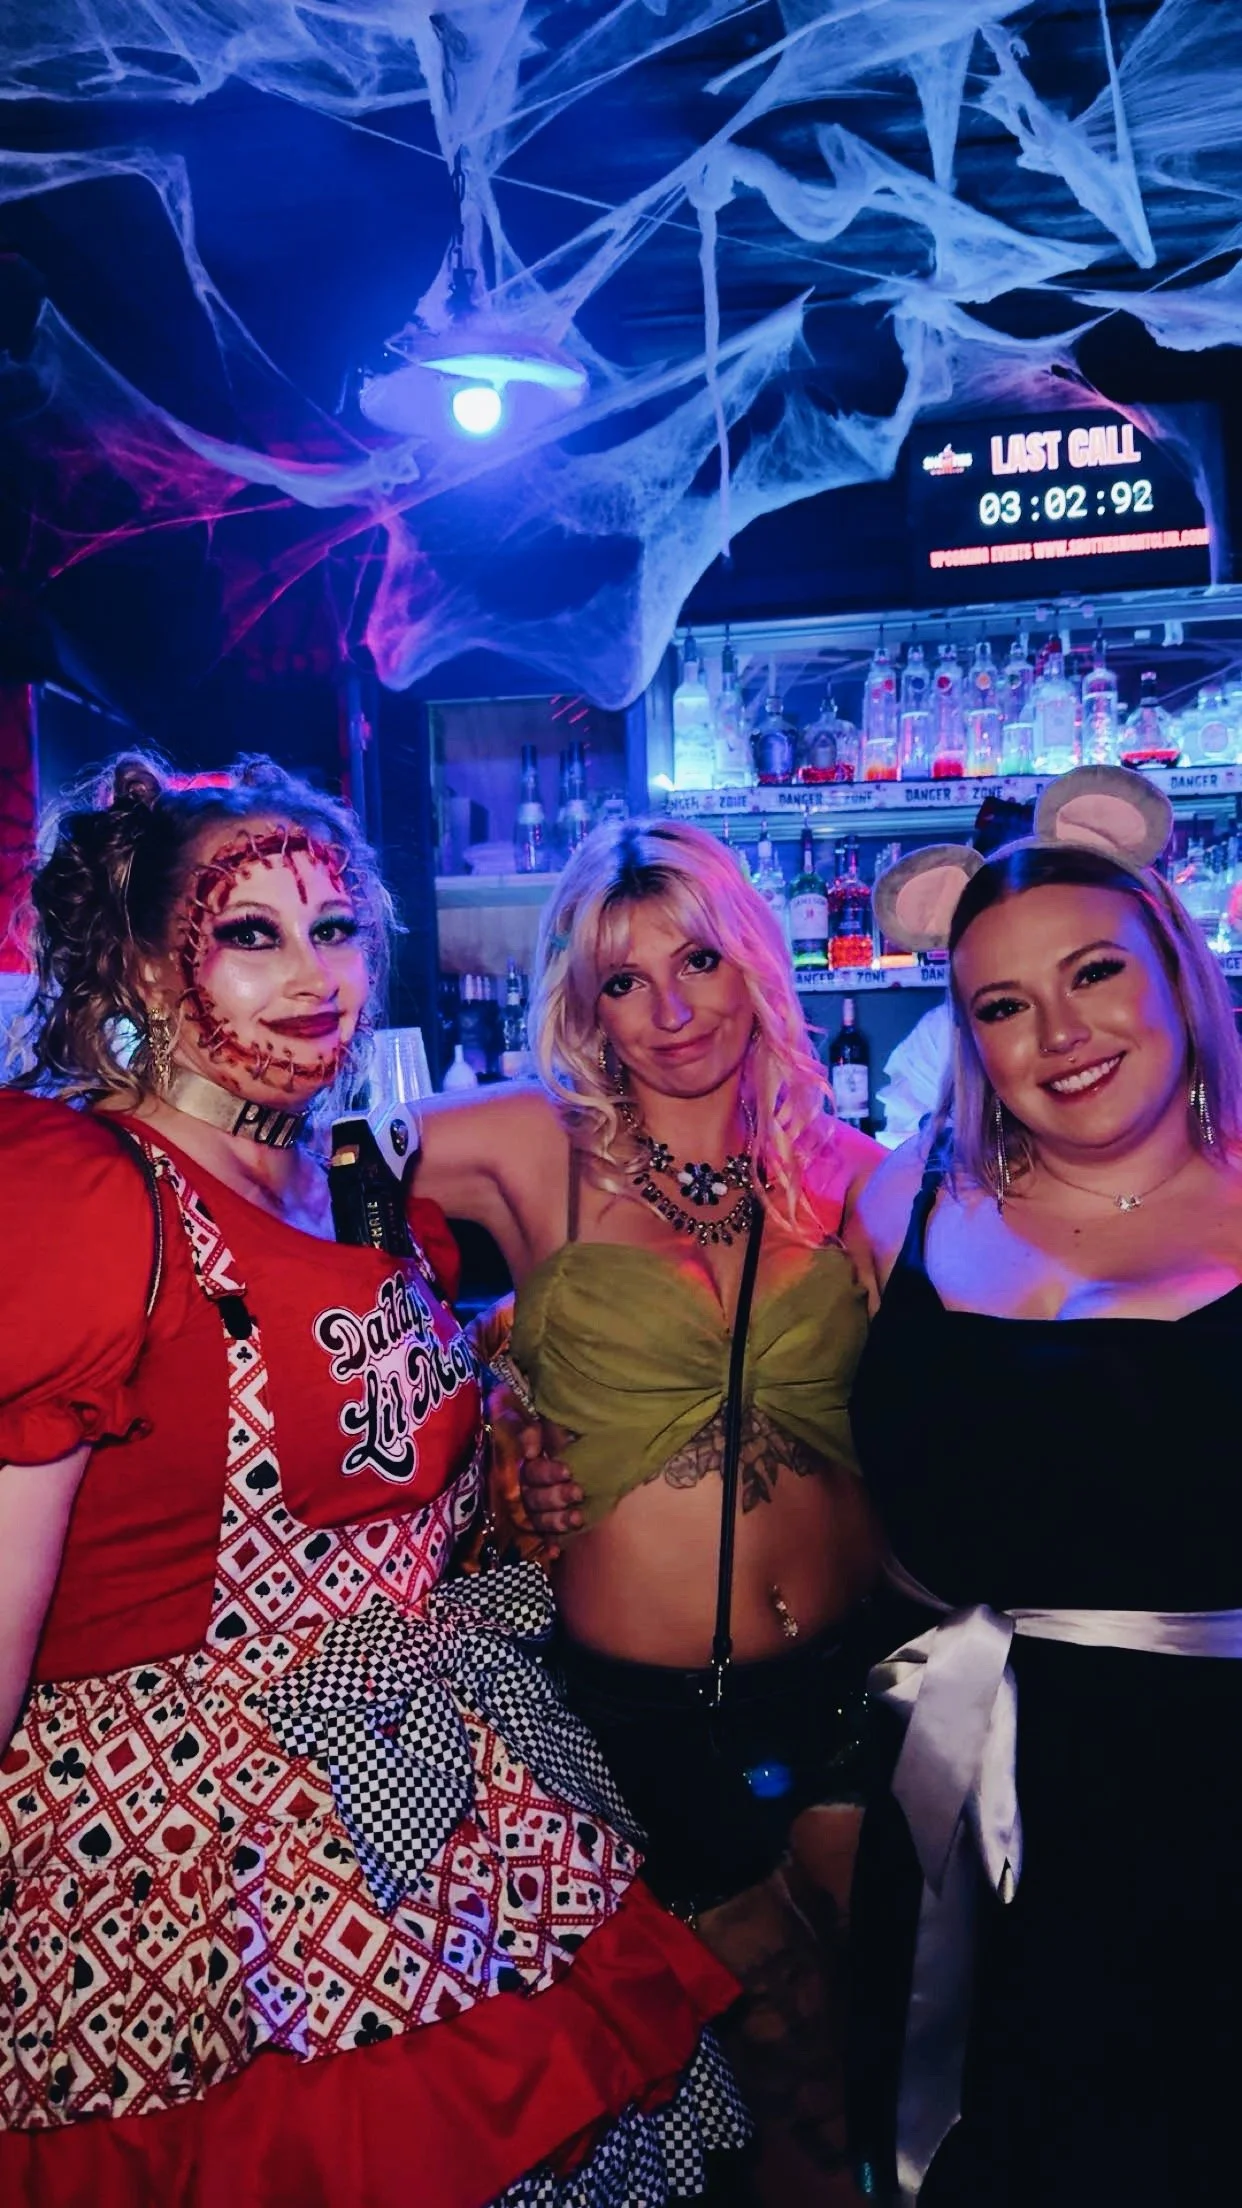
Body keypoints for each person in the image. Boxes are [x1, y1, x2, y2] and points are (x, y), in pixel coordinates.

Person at [0, 754, 749, 2208]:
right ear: (150, 966)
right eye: (250, 934)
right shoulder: (76, 1193)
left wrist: (501, 1456)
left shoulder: (341, 1183)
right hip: (174, 1865)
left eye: (335, 928)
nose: (311, 974)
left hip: (430, 1802)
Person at [413, 817, 883, 2202]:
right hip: (650, 1711)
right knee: (758, 2064)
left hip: (854, 1680)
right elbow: (279, 1198)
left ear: (755, 966)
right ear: (583, 1002)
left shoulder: (849, 1168)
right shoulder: (520, 1140)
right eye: (623, 981)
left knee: (881, 2049)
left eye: (697, 962)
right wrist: (473, 1404)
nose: (669, 1011)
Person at [845, 766, 1242, 2207]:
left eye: (1093, 976)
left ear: (1177, 973)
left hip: (1215, 1806)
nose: (1059, 1035)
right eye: (1002, 1007)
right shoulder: (895, 1207)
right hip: (975, 1800)